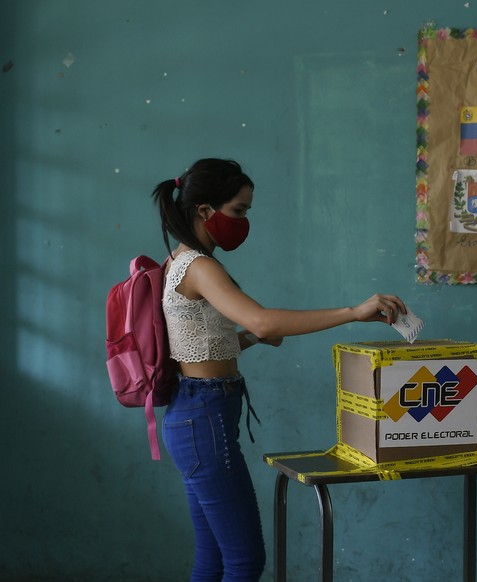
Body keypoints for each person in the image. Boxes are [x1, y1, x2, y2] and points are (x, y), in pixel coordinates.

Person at [151, 158, 406, 582]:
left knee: (213, 560)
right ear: (204, 210)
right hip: (204, 418)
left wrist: (249, 340)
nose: (243, 221)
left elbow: (200, 343)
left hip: (195, 415)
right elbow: (263, 319)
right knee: (243, 561)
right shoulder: (199, 266)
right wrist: (352, 312)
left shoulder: (178, 260)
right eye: (238, 210)